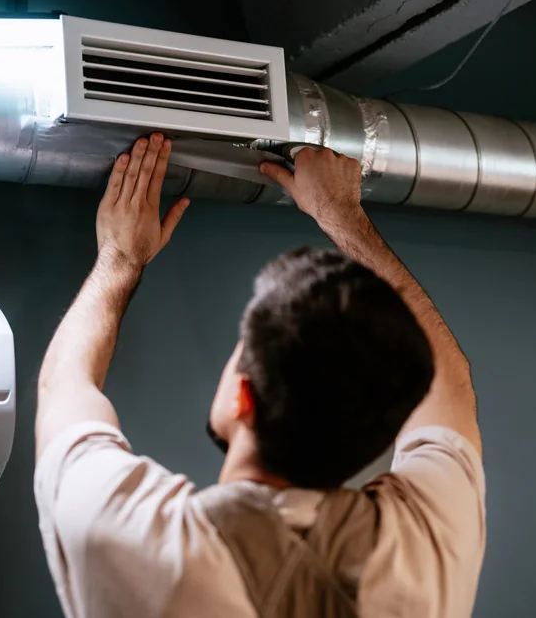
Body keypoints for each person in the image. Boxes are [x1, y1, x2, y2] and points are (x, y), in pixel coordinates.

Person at [34, 133, 485, 618]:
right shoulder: (429, 544)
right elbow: (449, 378)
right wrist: (343, 215)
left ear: (243, 397)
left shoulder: (141, 541)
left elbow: (64, 384)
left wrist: (120, 258)